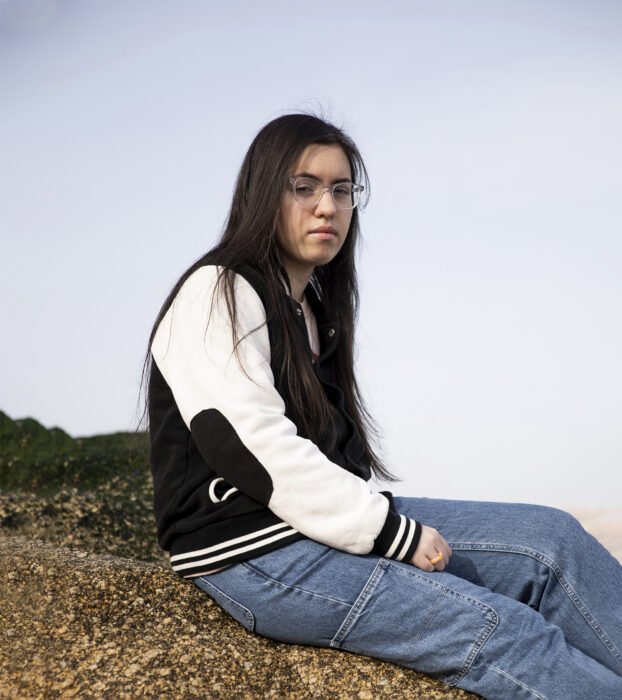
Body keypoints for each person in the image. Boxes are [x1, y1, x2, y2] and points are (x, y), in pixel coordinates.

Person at [146, 113, 622, 699]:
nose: (328, 206)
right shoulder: (217, 291)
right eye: (305, 187)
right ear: (264, 193)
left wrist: (374, 521)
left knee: (554, 543)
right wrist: (389, 533)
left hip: (314, 527)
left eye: (342, 190)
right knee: (502, 631)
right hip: (254, 551)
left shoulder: (312, 309)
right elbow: (252, 448)